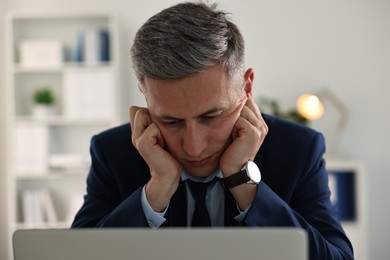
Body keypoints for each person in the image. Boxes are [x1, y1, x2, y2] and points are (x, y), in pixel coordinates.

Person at [71, 2, 354, 259]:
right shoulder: (113, 152)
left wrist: (244, 182)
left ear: (246, 88)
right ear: (146, 99)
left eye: (212, 116)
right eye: (170, 121)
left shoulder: (298, 148)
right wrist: (156, 190)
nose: (194, 147)